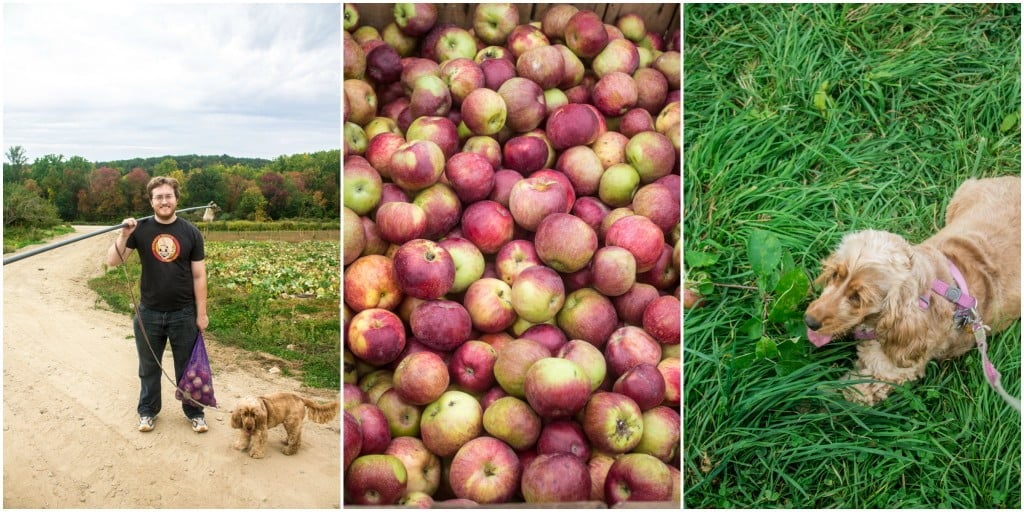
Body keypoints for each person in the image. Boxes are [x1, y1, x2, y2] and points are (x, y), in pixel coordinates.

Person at [107, 176, 210, 433]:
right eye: (158, 197)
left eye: (168, 196)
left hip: (184, 313)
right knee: (148, 368)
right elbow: (113, 261)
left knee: (188, 368)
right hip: (148, 314)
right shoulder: (139, 229)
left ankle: (194, 411)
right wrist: (123, 235)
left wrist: (202, 313)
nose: (164, 201)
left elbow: (199, 275)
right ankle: (147, 411)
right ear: (151, 202)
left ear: (176, 199)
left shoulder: (191, 233)